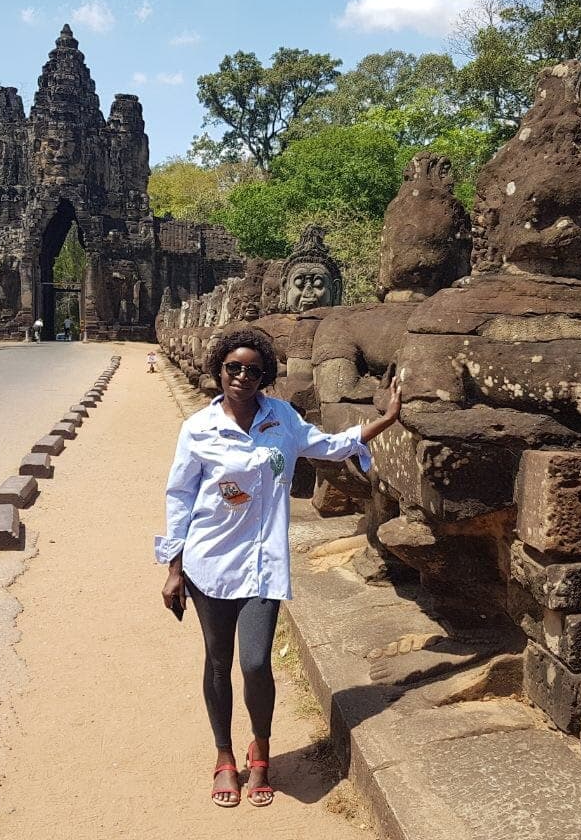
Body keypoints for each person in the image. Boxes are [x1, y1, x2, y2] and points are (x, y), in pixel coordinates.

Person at [156, 327, 401, 808]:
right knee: (218, 663)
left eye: (252, 369)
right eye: (233, 367)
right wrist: (172, 566)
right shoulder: (198, 430)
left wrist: (387, 419)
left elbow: (329, 446)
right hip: (208, 563)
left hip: (263, 564)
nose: (242, 376)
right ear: (219, 371)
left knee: (254, 662)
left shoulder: (282, 419)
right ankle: (225, 756)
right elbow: (180, 497)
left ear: (264, 373)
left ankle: (261, 751)